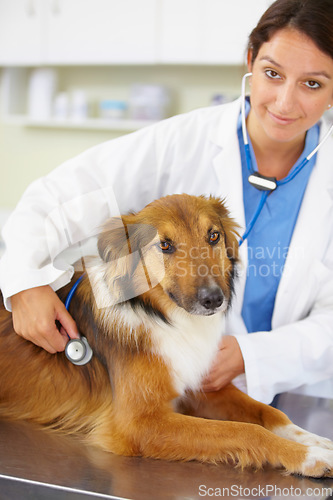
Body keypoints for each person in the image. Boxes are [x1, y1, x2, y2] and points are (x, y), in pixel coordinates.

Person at [0, 0, 333, 405]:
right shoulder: (181, 141)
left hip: (292, 394)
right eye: (272, 73)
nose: (284, 103)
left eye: (312, 84)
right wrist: (24, 284)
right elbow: (52, 199)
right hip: (154, 383)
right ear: (250, 60)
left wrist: (253, 356)